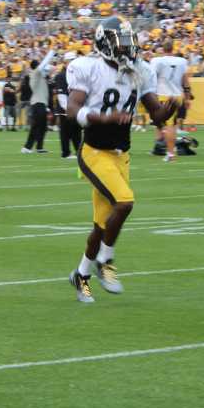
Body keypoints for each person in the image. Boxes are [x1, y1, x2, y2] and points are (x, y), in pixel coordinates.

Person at [65, 17, 173, 303]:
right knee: (124, 202)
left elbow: (156, 116)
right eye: (120, 43)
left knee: (101, 225)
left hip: (121, 154)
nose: (127, 48)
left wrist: (170, 108)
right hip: (93, 151)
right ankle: (106, 262)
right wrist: (104, 117)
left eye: (128, 42)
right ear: (105, 43)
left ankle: (81, 275)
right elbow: (71, 109)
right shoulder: (88, 67)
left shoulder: (141, 70)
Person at [151, 41, 190, 162]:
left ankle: (171, 154)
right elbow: (185, 81)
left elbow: (152, 77)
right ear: (173, 49)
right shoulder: (182, 61)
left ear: (163, 49)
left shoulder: (157, 61)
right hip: (177, 95)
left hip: (164, 96)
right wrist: (187, 97)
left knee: (168, 126)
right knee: (167, 125)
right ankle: (165, 149)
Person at [22, 51, 55, 154]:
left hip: (41, 104)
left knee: (42, 127)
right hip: (38, 104)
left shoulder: (41, 77)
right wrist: (52, 53)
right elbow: (44, 65)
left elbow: (49, 70)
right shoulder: (35, 73)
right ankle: (27, 147)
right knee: (36, 126)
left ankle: (39, 147)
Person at [53, 52, 82, 159]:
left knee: (76, 132)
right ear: (66, 62)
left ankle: (79, 152)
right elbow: (61, 95)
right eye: (72, 60)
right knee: (66, 131)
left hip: (75, 108)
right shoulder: (61, 76)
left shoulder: (76, 75)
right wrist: (68, 109)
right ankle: (65, 153)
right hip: (66, 109)